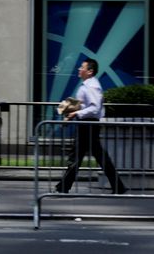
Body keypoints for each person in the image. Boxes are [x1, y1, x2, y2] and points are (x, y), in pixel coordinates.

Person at [53, 58, 127, 194]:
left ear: (90, 71)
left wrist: (76, 112)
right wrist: (72, 108)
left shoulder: (92, 86)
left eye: (82, 67)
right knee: (95, 156)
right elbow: (87, 105)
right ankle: (118, 186)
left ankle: (63, 187)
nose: (79, 69)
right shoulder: (88, 85)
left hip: (89, 125)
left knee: (78, 156)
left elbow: (94, 108)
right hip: (87, 124)